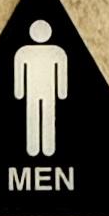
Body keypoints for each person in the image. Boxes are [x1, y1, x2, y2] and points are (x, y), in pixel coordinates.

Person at [12, 19, 67, 158]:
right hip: (37, 90)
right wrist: (18, 91)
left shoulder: (55, 52)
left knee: (42, 115)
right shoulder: (25, 52)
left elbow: (61, 72)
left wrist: (62, 91)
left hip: (42, 90)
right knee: (37, 115)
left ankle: (46, 147)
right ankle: (35, 148)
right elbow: (18, 73)